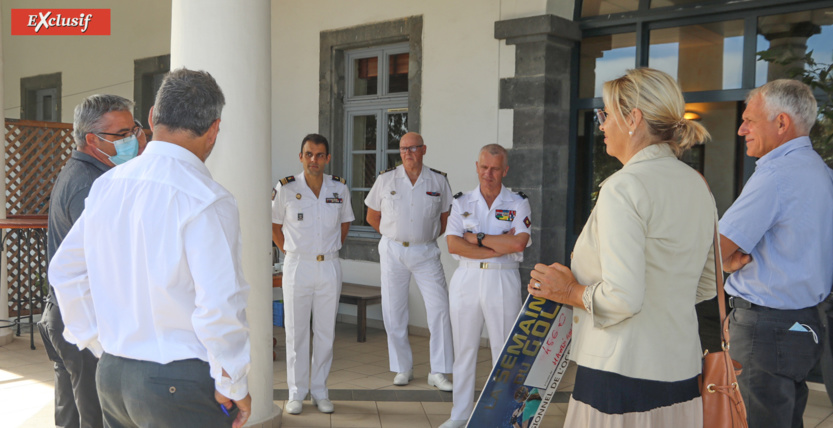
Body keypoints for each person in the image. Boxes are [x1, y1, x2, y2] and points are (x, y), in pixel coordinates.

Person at [48, 68, 252, 428]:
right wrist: (232, 381)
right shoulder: (207, 198)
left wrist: (99, 343)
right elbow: (220, 304)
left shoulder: (108, 185)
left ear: (153, 116)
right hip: (178, 382)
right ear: (214, 129)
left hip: (113, 376)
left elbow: (65, 272)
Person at [527, 68, 716, 427]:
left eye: (606, 114)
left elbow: (623, 298)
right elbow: (705, 285)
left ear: (633, 119)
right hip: (680, 368)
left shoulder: (624, 187)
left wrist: (568, 291)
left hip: (621, 370)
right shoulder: (696, 184)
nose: (601, 125)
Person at [718, 79, 833, 428]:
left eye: (749, 120)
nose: (741, 130)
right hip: (805, 325)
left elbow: (714, 250)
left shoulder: (776, 174)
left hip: (766, 332)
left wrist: (725, 259)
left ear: (781, 123)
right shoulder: (821, 171)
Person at [38, 93, 145, 428]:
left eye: (133, 130)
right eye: (121, 134)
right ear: (92, 140)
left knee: (72, 416)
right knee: (96, 417)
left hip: (68, 316)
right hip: (83, 320)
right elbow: (110, 260)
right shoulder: (90, 184)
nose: (132, 140)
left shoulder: (93, 173)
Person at [439, 143, 532, 428]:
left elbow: (518, 243)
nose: (488, 174)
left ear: (505, 170)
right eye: (483, 167)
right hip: (466, 279)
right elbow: (454, 244)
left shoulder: (517, 202)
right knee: (464, 350)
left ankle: (505, 416)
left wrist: (477, 239)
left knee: (504, 353)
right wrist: (497, 247)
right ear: (477, 167)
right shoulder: (461, 202)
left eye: (494, 169)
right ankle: (460, 414)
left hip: (502, 280)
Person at [364, 132, 454, 390]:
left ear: (424, 150)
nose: (408, 153)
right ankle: (403, 368)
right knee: (394, 311)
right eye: (403, 149)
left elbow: (446, 219)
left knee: (440, 309)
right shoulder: (386, 179)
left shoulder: (438, 181)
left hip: (426, 252)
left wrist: (423, 237)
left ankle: (439, 371)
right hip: (393, 251)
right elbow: (371, 216)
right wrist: (394, 234)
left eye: (413, 148)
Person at [272, 133, 354, 415]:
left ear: (327, 158)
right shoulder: (286, 188)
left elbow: (345, 223)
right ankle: (296, 392)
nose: (313, 160)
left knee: (325, 332)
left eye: (319, 155)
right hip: (298, 265)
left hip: (329, 266)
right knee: (296, 331)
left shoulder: (339, 188)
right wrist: (289, 251)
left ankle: (320, 390)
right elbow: (274, 225)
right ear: (301, 157)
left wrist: (331, 247)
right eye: (308, 154)